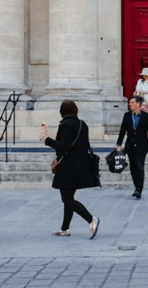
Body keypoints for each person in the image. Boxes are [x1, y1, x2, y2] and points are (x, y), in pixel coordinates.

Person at [40, 99, 100, 238]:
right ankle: (65, 228)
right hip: (81, 164)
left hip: (68, 166)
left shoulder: (65, 125)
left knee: (67, 199)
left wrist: (46, 140)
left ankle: (91, 219)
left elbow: (64, 145)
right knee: (69, 197)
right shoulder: (82, 124)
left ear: (62, 111)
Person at [116, 95, 148, 199]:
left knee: (139, 166)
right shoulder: (126, 115)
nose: (130, 104)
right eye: (130, 103)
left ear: (138, 104)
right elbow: (122, 131)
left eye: (132, 102)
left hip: (141, 146)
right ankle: (136, 186)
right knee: (133, 168)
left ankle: (139, 189)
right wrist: (119, 144)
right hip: (130, 146)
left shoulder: (146, 116)